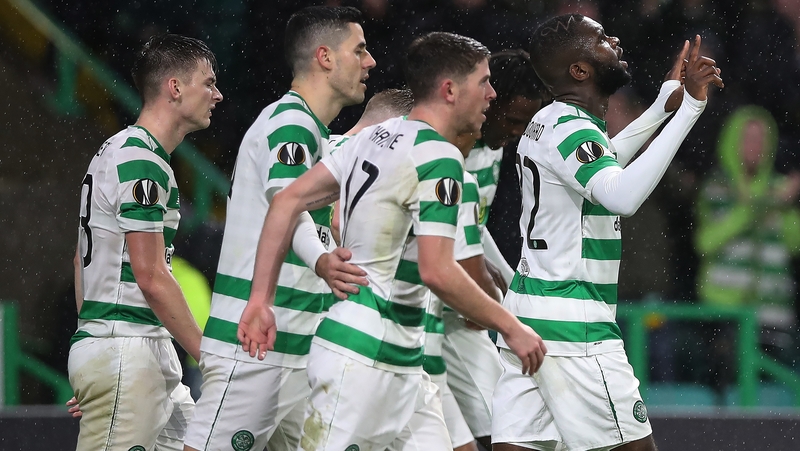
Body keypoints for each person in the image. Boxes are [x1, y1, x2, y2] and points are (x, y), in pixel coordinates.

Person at [238, 31, 547, 450]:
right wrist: (511, 327)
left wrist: (261, 299)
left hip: (401, 359)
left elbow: (286, 202)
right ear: (450, 90)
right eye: (484, 82)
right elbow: (437, 269)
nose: (492, 94)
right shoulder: (439, 158)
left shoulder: (372, 137)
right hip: (362, 360)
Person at [492, 13, 723, 451]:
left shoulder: (551, 123)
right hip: (574, 325)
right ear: (579, 70)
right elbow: (621, 196)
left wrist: (661, 106)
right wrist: (691, 108)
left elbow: (605, 162)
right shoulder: (573, 128)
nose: (613, 40)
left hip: (531, 314)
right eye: (600, 39)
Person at [183, 6, 375, 451]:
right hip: (257, 349)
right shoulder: (290, 123)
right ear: (325, 57)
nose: (371, 63)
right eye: (360, 50)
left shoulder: (319, 135)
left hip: (301, 346)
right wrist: (324, 261)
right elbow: (289, 208)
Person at [68, 34, 223, 451]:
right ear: (175, 87)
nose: (218, 94)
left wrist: (93, 346)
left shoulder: (117, 150)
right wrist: (213, 360)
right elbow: (151, 275)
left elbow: (84, 258)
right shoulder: (142, 159)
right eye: (208, 83)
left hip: (138, 349)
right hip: (128, 349)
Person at [442, 49, 549, 451]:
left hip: (457, 311)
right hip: (426, 302)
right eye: (514, 120)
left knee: (499, 424)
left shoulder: (494, 147)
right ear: (489, 100)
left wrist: (503, 281)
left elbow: (471, 225)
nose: (516, 132)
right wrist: (489, 293)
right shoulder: (443, 149)